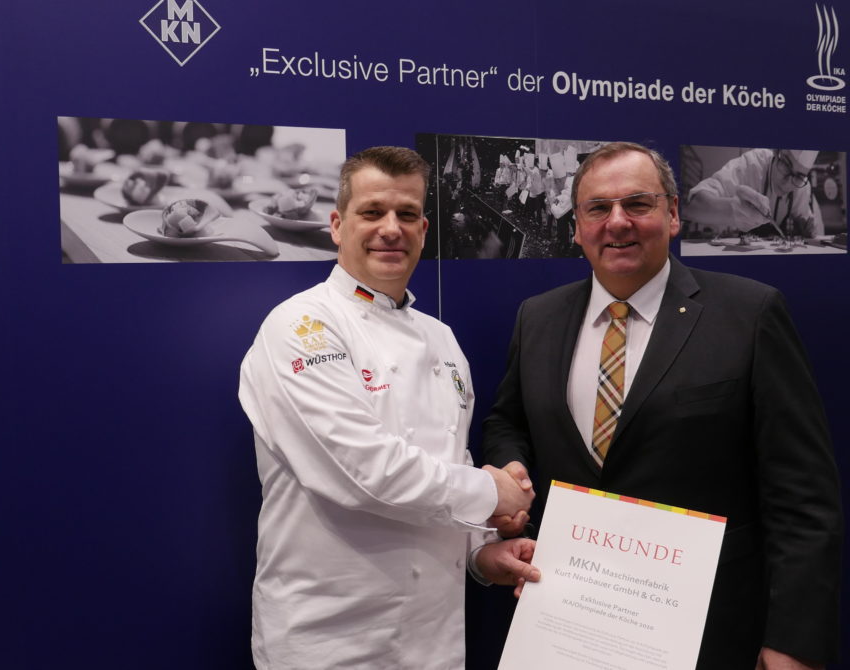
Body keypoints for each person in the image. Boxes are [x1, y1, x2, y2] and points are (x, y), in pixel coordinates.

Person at [482, 141, 842, 670]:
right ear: (577, 225)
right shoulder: (538, 317)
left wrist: (794, 640)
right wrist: (510, 464)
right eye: (598, 208)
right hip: (568, 619)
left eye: (637, 204)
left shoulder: (750, 314)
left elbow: (803, 493)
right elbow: (508, 421)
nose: (617, 222)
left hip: (710, 630)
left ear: (673, 214)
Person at [238, 146, 538, 669]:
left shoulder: (441, 338)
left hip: (434, 638)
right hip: (328, 639)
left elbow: (448, 463)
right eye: (372, 212)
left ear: (424, 229)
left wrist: (480, 551)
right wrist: (493, 492)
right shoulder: (300, 326)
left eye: (406, 214)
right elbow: (364, 471)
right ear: (337, 225)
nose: (391, 229)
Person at [684, 148, 824, 239]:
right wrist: (730, 210)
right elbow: (690, 207)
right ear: (776, 152)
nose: (788, 183)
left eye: (799, 176)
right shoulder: (752, 165)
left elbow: (805, 221)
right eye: (786, 165)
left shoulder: (802, 186)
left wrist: (806, 229)